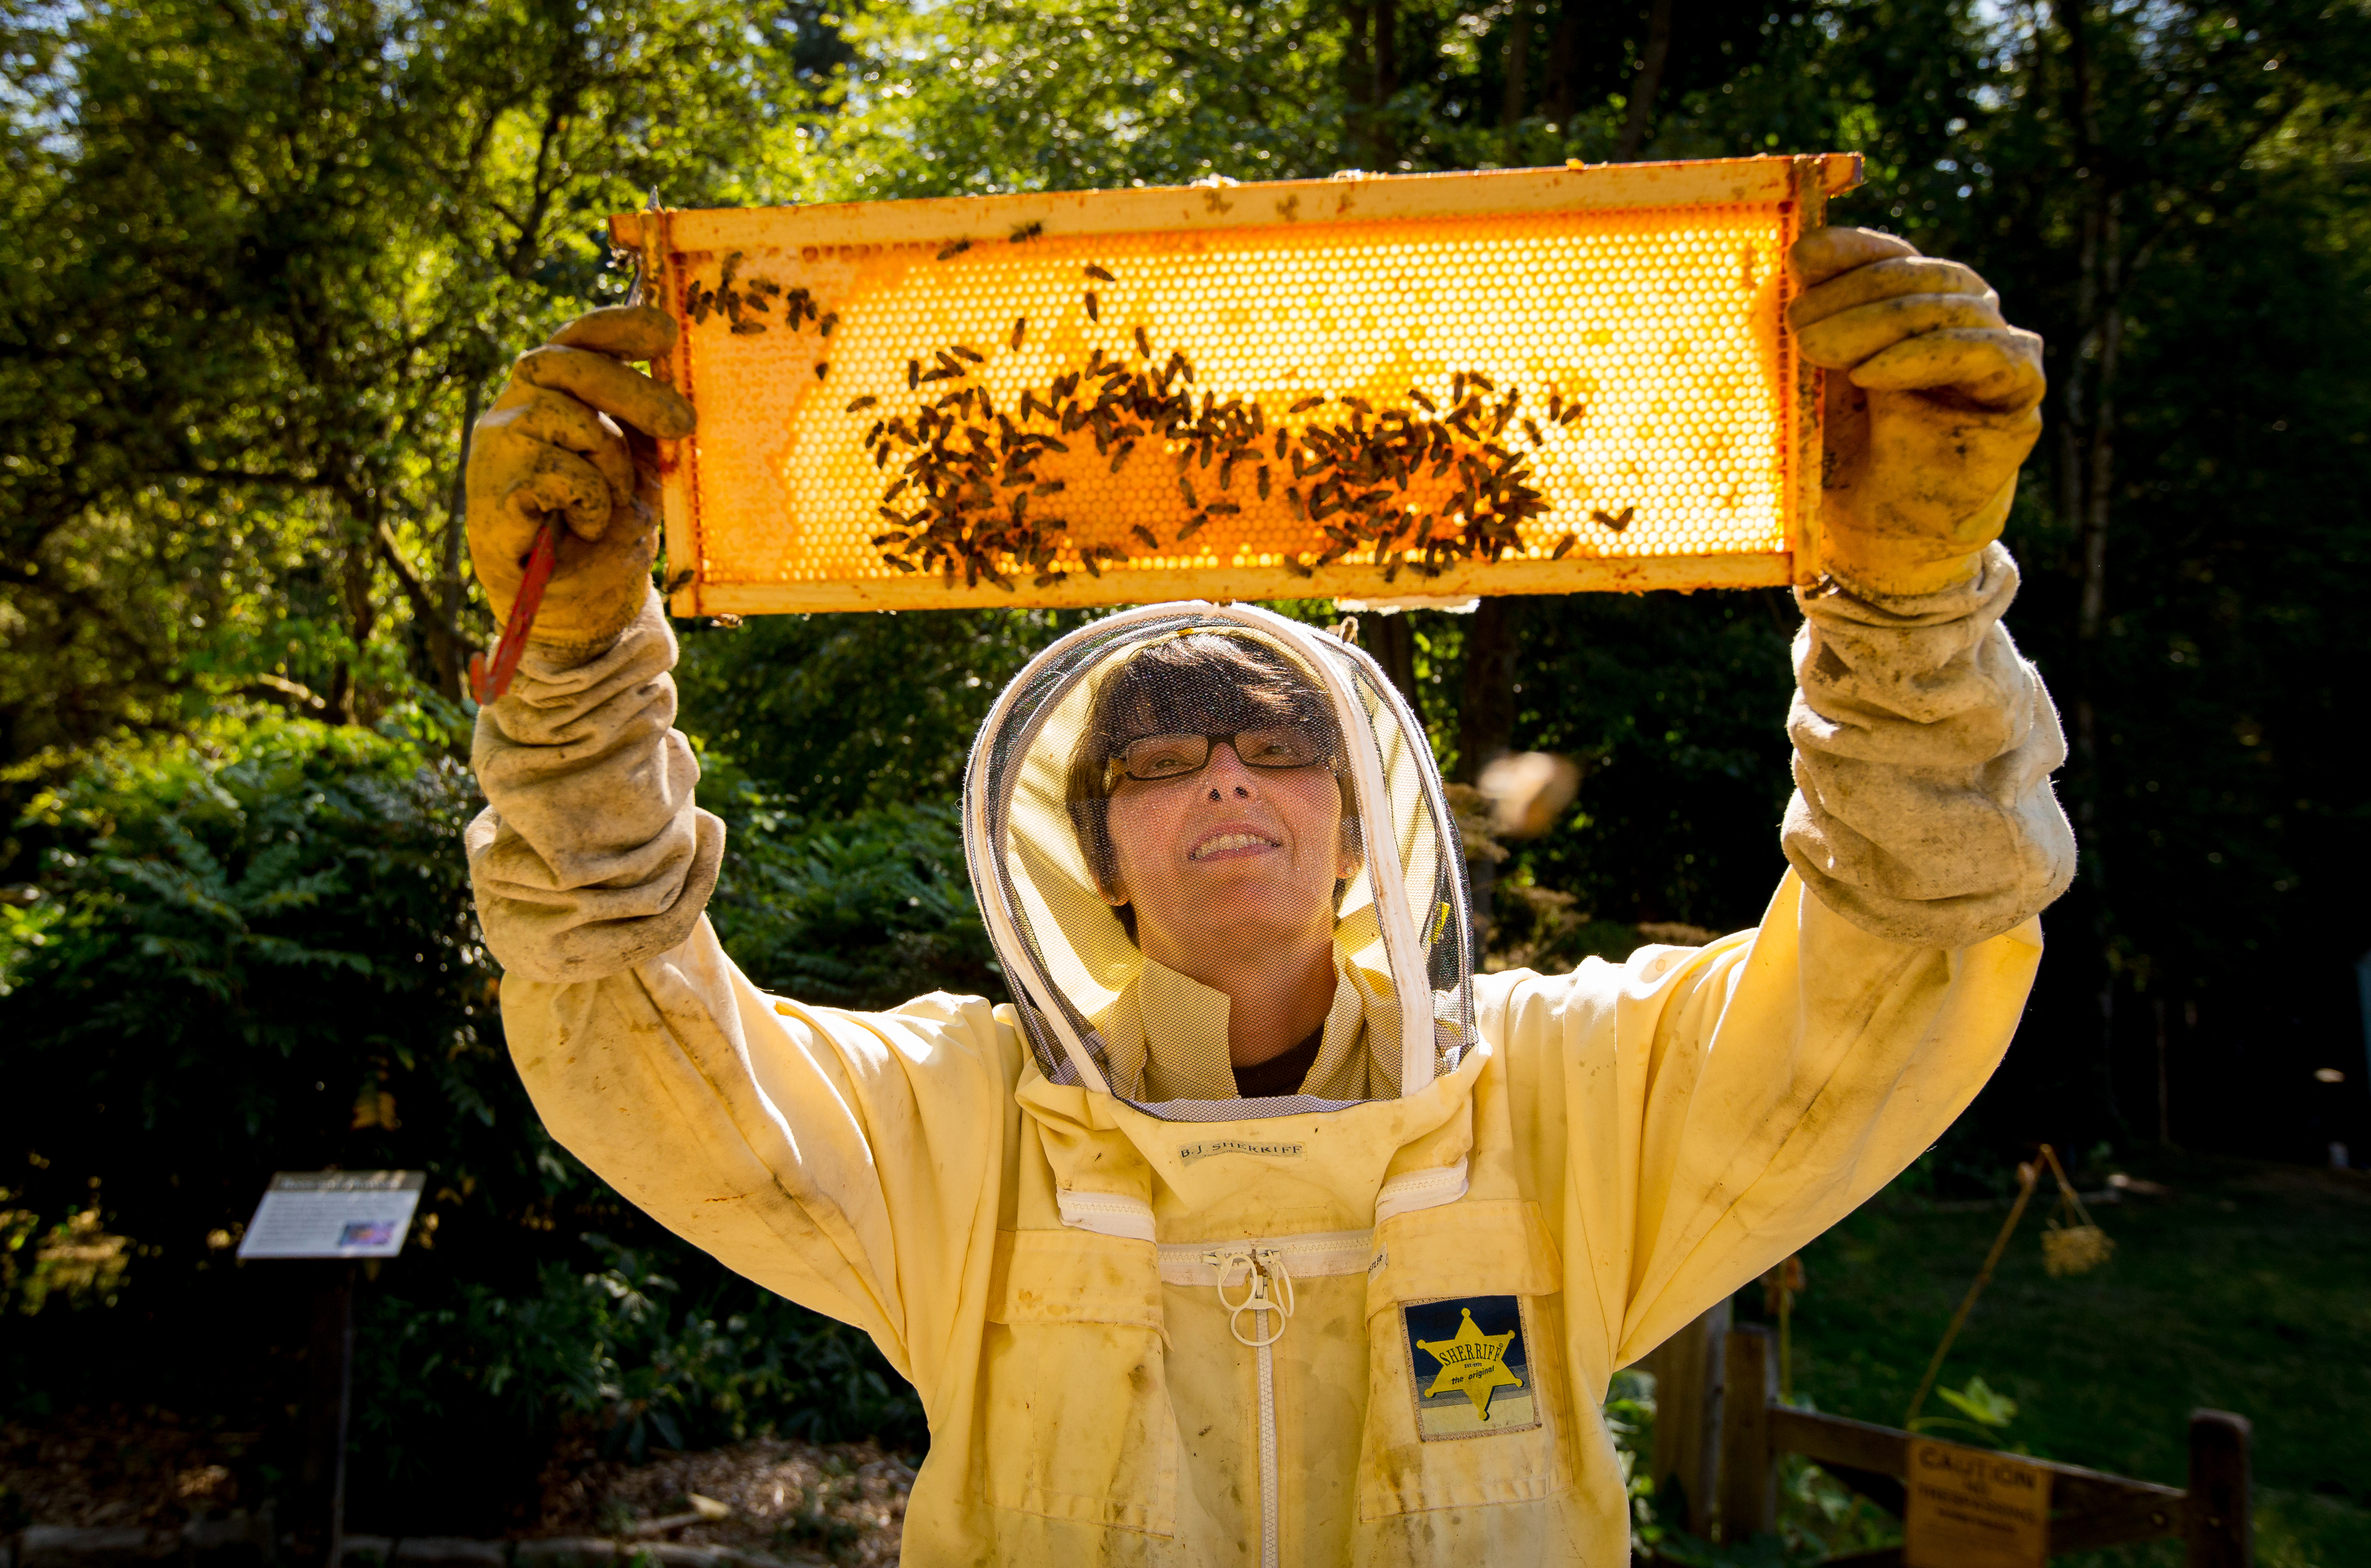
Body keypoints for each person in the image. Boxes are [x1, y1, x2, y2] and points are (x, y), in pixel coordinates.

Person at [461, 224, 2072, 1566]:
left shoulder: (1563, 1097)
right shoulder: (960, 1126)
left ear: (1362, 821)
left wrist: (1915, 610)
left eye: (1275, 745)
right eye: (1157, 763)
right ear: (1092, 848)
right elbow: (636, 1041)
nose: (1223, 777)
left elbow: (1904, 965)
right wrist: (574, 676)